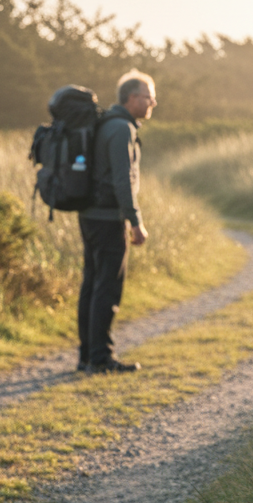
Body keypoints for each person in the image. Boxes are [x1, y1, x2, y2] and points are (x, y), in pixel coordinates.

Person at [76, 69, 157, 373]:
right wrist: (134, 221)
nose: (153, 102)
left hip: (90, 215)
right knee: (107, 288)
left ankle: (87, 355)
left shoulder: (106, 124)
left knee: (91, 285)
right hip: (108, 218)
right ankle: (100, 359)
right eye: (149, 96)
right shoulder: (122, 128)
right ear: (133, 97)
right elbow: (123, 180)